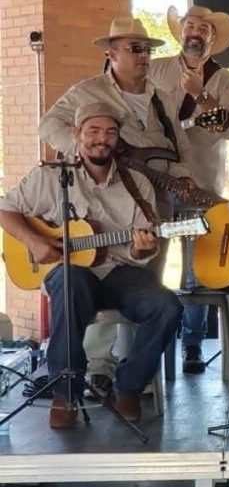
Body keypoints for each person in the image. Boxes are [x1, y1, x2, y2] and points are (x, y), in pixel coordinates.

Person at [39, 17, 194, 398]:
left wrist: (185, 178)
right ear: (111, 54)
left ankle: (134, 380)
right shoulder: (88, 90)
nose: (143, 56)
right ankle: (97, 371)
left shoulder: (163, 97)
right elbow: (48, 125)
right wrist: (90, 151)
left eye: (147, 49)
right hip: (100, 203)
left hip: (154, 208)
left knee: (144, 288)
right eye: (134, 49)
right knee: (91, 276)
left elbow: (179, 147)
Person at [0, 103, 182, 428]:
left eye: (110, 132)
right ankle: (66, 392)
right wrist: (34, 241)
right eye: (94, 131)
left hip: (119, 271)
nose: (102, 139)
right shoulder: (50, 177)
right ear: (76, 135)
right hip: (70, 274)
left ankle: (128, 387)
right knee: (71, 282)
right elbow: (5, 210)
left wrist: (144, 249)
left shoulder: (136, 184)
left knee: (167, 306)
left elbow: (141, 252)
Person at [148, 5, 229, 374]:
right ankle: (151, 343)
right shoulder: (155, 69)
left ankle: (191, 345)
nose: (196, 32)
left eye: (204, 28)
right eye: (190, 25)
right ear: (180, 32)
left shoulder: (225, 80)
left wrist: (201, 93)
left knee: (196, 270)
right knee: (151, 262)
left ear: (213, 39)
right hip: (156, 184)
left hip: (200, 186)